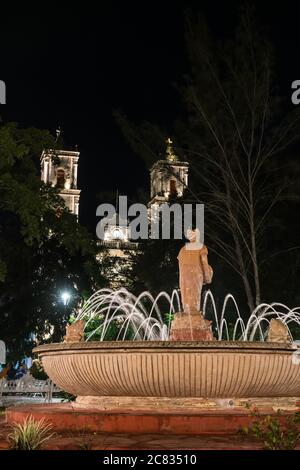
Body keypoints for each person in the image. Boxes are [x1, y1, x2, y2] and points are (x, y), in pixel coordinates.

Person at [177, 228, 213, 313]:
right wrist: (208, 277)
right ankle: (194, 315)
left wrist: (181, 281)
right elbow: (204, 263)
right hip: (196, 274)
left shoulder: (182, 250)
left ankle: (187, 313)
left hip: (184, 277)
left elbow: (180, 268)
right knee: (195, 294)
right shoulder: (201, 247)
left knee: (186, 295)